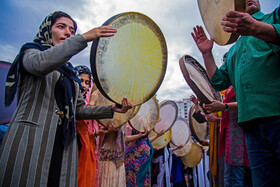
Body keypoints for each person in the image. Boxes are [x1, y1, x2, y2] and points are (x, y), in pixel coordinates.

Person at [0, 11, 132, 187]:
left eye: (72, 30)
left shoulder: (70, 73)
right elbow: (41, 64)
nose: (68, 33)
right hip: (31, 140)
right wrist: (83, 38)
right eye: (61, 27)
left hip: (62, 145)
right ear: (47, 30)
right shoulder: (31, 52)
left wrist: (110, 109)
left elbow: (78, 110)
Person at [191, 1, 280, 185]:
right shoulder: (234, 51)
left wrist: (257, 28)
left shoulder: (274, 18)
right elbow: (218, 81)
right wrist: (207, 54)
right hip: (250, 127)